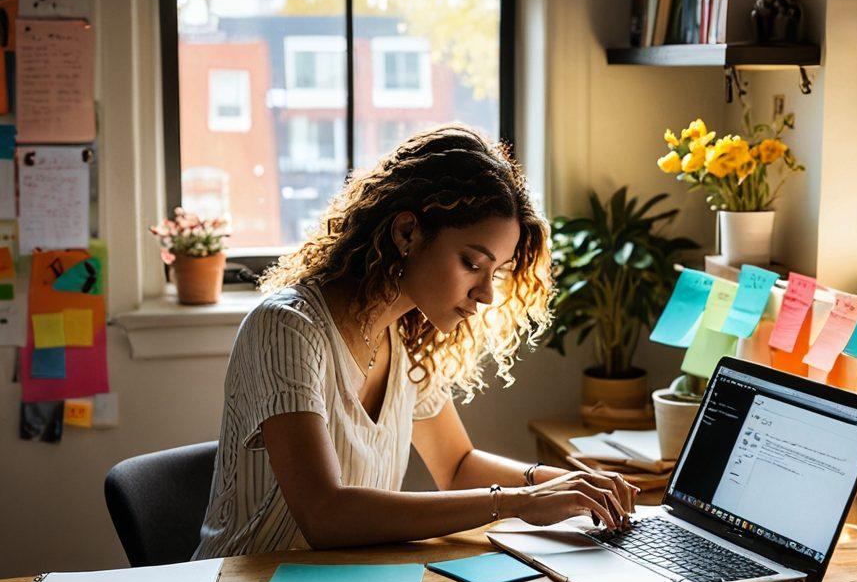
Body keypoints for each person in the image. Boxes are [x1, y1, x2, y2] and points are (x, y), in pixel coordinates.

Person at [194, 125, 637, 558]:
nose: (486, 294)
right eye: (471, 263)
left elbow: (458, 466)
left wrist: (562, 485)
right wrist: (518, 502)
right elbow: (324, 513)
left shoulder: (405, 339)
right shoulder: (287, 328)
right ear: (407, 233)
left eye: (496, 272)